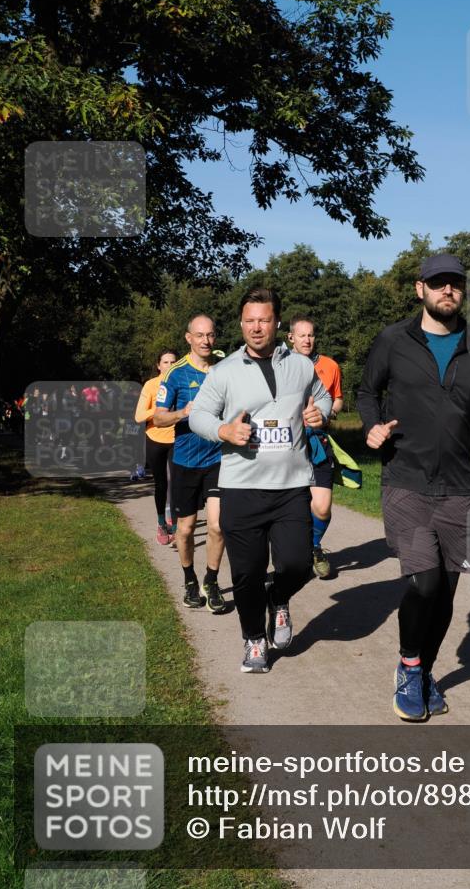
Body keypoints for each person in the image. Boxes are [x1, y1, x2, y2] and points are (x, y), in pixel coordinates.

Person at [357, 253, 470, 721]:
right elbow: (366, 392)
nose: (448, 291)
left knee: (447, 593)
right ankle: (408, 665)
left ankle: (426, 671)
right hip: (407, 478)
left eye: (455, 284)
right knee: (424, 582)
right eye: (438, 283)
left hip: (460, 485)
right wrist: (371, 427)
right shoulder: (393, 340)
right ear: (420, 289)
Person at [189, 288, 332, 674]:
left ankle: (279, 598)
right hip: (241, 487)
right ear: (241, 324)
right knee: (247, 574)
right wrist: (222, 430)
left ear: (277, 324)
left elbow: (323, 398)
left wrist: (321, 413)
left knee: (298, 564)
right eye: (250, 320)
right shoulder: (223, 372)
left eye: (264, 320)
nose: (256, 327)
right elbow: (197, 415)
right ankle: (254, 639)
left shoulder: (301, 366)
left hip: (290, 487)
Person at [154, 315, 225, 614]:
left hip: (219, 459)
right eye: (200, 335)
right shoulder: (176, 374)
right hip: (184, 461)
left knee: (218, 525)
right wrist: (183, 411)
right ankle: (189, 580)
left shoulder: (223, 372)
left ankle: (212, 580)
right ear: (188, 338)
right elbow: (158, 417)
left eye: (210, 335)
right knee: (184, 530)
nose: (206, 341)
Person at [288, 314, 344, 579]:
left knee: (321, 506)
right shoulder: (280, 364)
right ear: (291, 338)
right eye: (302, 335)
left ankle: (314, 547)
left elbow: (338, 399)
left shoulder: (330, 366)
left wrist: (327, 414)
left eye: (311, 334)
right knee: (294, 507)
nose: (307, 339)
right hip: (287, 446)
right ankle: (292, 552)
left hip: (318, 441)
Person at [135, 349, 178, 544]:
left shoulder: (181, 383)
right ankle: (162, 522)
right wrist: (161, 407)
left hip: (178, 439)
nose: (169, 365)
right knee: (161, 484)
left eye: (173, 362)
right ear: (158, 365)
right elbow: (138, 416)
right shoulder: (151, 385)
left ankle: (176, 526)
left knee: (177, 484)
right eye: (166, 362)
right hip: (155, 439)